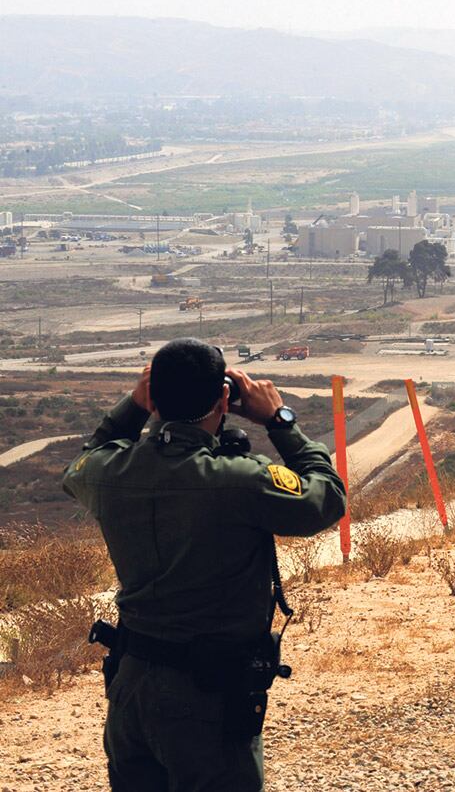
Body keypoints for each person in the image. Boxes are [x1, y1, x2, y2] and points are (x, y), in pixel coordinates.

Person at [62, 337, 347, 791]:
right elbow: (327, 499)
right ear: (224, 400)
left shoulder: (108, 474)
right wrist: (279, 420)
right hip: (209, 694)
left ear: (152, 397)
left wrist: (133, 406)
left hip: (130, 688)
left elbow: (86, 456)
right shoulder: (240, 479)